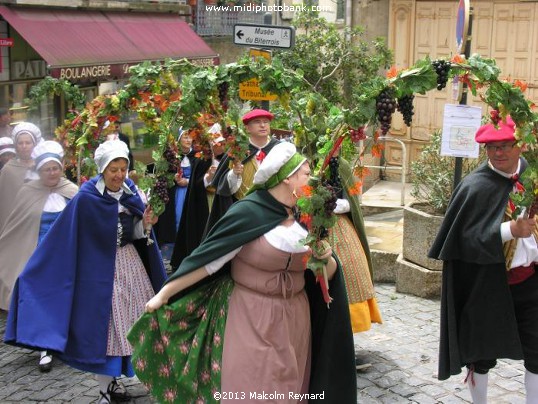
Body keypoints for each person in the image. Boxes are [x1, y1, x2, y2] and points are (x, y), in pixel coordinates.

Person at [127, 142, 357, 403]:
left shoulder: (305, 218)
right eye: (306, 173)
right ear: (287, 178)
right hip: (252, 315)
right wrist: (165, 294)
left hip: (295, 319)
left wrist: (326, 258)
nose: (311, 179)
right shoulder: (247, 213)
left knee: (292, 389)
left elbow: (326, 277)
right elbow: (208, 260)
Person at [4, 139, 167, 404]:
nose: (119, 174)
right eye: (114, 169)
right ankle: (105, 388)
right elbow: (66, 236)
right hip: (98, 273)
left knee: (133, 321)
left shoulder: (130, 193)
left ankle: (118, 382)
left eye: (123, 168)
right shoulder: (87, 197)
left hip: (129, 266)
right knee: (108, 328)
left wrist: (145, 224)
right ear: (103, 168)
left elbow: (136, 234)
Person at [428, 116, 538, 403]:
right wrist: (509, 230)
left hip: (530, 282)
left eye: (504, 146)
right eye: (491, 147)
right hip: (487, 285)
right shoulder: (474, 186)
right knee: (481, 354)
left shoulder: (533, 178)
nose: (498, 153)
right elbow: (461, 241)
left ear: (520, 146)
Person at [0, 141, 78, 372]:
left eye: (55, 168)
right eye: (47, 169)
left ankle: (66, 339)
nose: (52, 173)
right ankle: (45, 345)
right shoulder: (28, 192)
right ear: (39, 170)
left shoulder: (72, 191)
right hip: (38, 254)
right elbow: (17, 228)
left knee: (66, 296)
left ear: (61, 168)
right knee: (41, 297)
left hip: (66, 253)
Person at [325, 154, 383, 337]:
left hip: (338, 227)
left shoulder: (340, 164)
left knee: (349, 273)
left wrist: (334, 205)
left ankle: (344, 331)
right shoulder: (303, 159)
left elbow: (352, 202)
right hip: (309, 226)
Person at [205, 108, 280, 233]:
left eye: (266, 122)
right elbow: (225, 187)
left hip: (273, 209)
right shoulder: (237, 150)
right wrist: (234, 173)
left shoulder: (279, 149)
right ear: (247, 128)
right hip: (244, 210)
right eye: (257, 122)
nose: (262, 125)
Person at [153, 129, 197, 261]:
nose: (189, 140)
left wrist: (188, 182)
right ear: (178, 140)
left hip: (191, 193)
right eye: (185, 137)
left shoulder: (197, 157)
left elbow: (201, 177)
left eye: (190, 137)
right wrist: (174, 179)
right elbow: (163, 177)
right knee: (176, 219)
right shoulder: (171, 157)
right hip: (175, 195)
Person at [0, 122, 42, 231]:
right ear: (16, 146)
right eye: (20, 143)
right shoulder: (8, 170)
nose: (24, 146)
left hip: (40, 223)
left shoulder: (42, 167)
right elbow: (5, 202)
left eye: (28, 143)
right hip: (15, 225)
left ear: (34, 144)